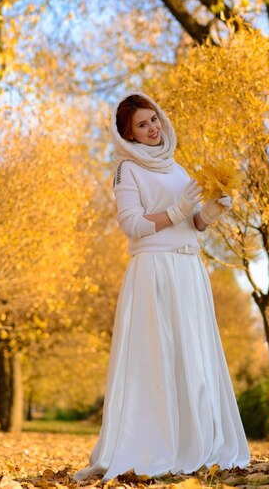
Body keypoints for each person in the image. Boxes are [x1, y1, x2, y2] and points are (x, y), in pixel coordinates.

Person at [74, 93, 250, 481]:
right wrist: (176, 211)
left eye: (154, 120)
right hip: (154, 270)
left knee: (193, 355)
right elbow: (132, 225)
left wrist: (213, 210)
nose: (153, 128)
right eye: (142, 124)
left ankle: (198, 440)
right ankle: (153, 444)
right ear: (127, 134)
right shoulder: (127, 171)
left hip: (189, 269)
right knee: (157, 355)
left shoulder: (176, 166)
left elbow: (195, 224)